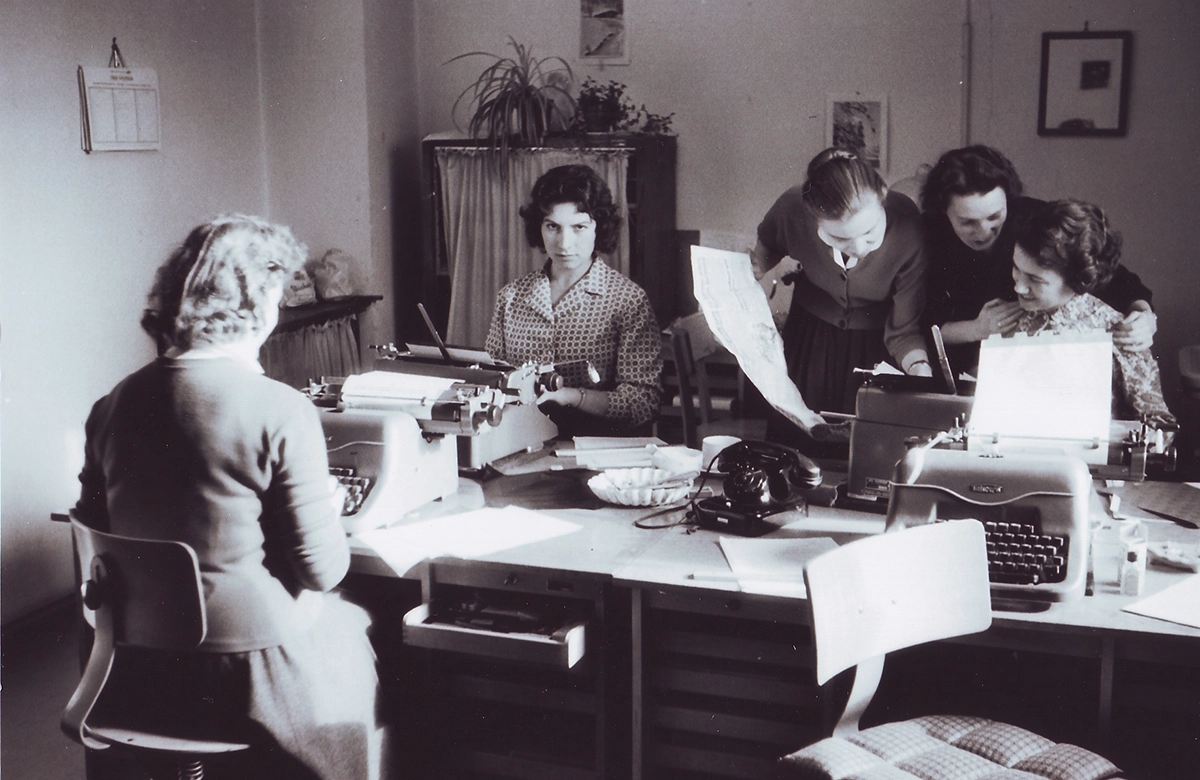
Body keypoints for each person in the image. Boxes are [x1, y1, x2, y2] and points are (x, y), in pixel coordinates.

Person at [74, 215, 387, 780]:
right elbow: (323, 571)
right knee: (355, 631)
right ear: (262, 302)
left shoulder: (111, 405)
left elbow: (98, 534)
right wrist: (328, 509)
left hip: (136, 669)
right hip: (245, 674)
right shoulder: (280, 408)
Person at [921, 145, 1155, 376]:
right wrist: (975, 329)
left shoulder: (1031, 220)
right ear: (943, 211)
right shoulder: (928, 237)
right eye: (967, 222)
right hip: (960, 369)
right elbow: (918, 326)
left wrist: (1144, 316)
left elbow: (1118, 280)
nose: (984, 232)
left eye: (994, 216)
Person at [752, 147, 931, 444]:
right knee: (796, 446)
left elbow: (904, 330)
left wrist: (918, 368)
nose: (859, 248)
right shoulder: (791, 207)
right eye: (839, 238)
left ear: (883, 195)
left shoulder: (910, 231)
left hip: (875, 349)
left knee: (863, 453)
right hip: (809, 343)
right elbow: (768, 245)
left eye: (871, 233)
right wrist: (757, 266)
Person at [485, 164, 662, 437]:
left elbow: (644, 402)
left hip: (599, 448)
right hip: (517, 442)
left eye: (578, 227)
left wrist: (571, 396)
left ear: (598, 228)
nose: (564, 243)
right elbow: (491, 378)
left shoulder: (628, 301)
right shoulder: (511, 297)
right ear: (539, 228)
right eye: (553, 226)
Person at [1010, 199, 1173, 424]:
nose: (1018, 286)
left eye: (1035, 280)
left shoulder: (1120, 335)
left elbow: (1160, 425)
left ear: (1077, 282)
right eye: (1016, 269)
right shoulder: (1011, 316)